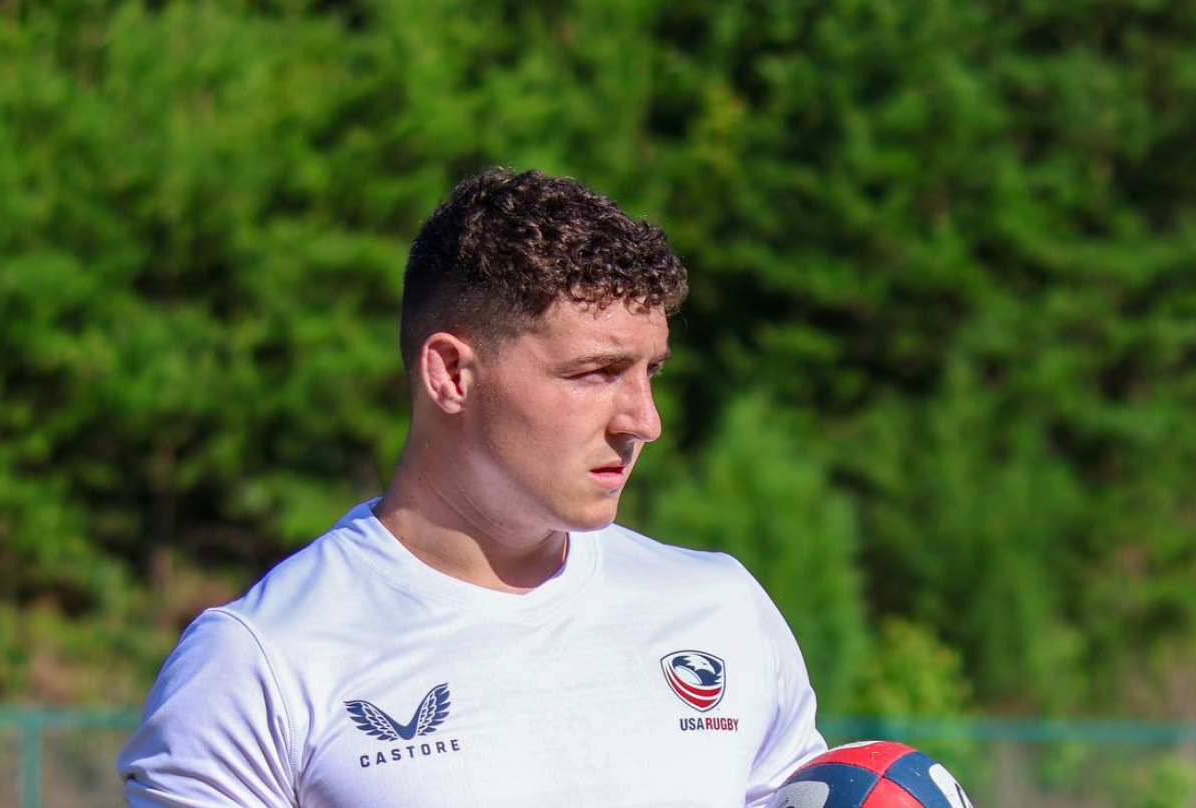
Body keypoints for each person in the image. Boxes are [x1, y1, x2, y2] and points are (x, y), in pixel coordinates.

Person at [118, 168, 826, 807]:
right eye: (595, 373)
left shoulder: (719, 609)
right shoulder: (261, 661)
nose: (644, 421)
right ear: (452, 375)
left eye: (651, 372)